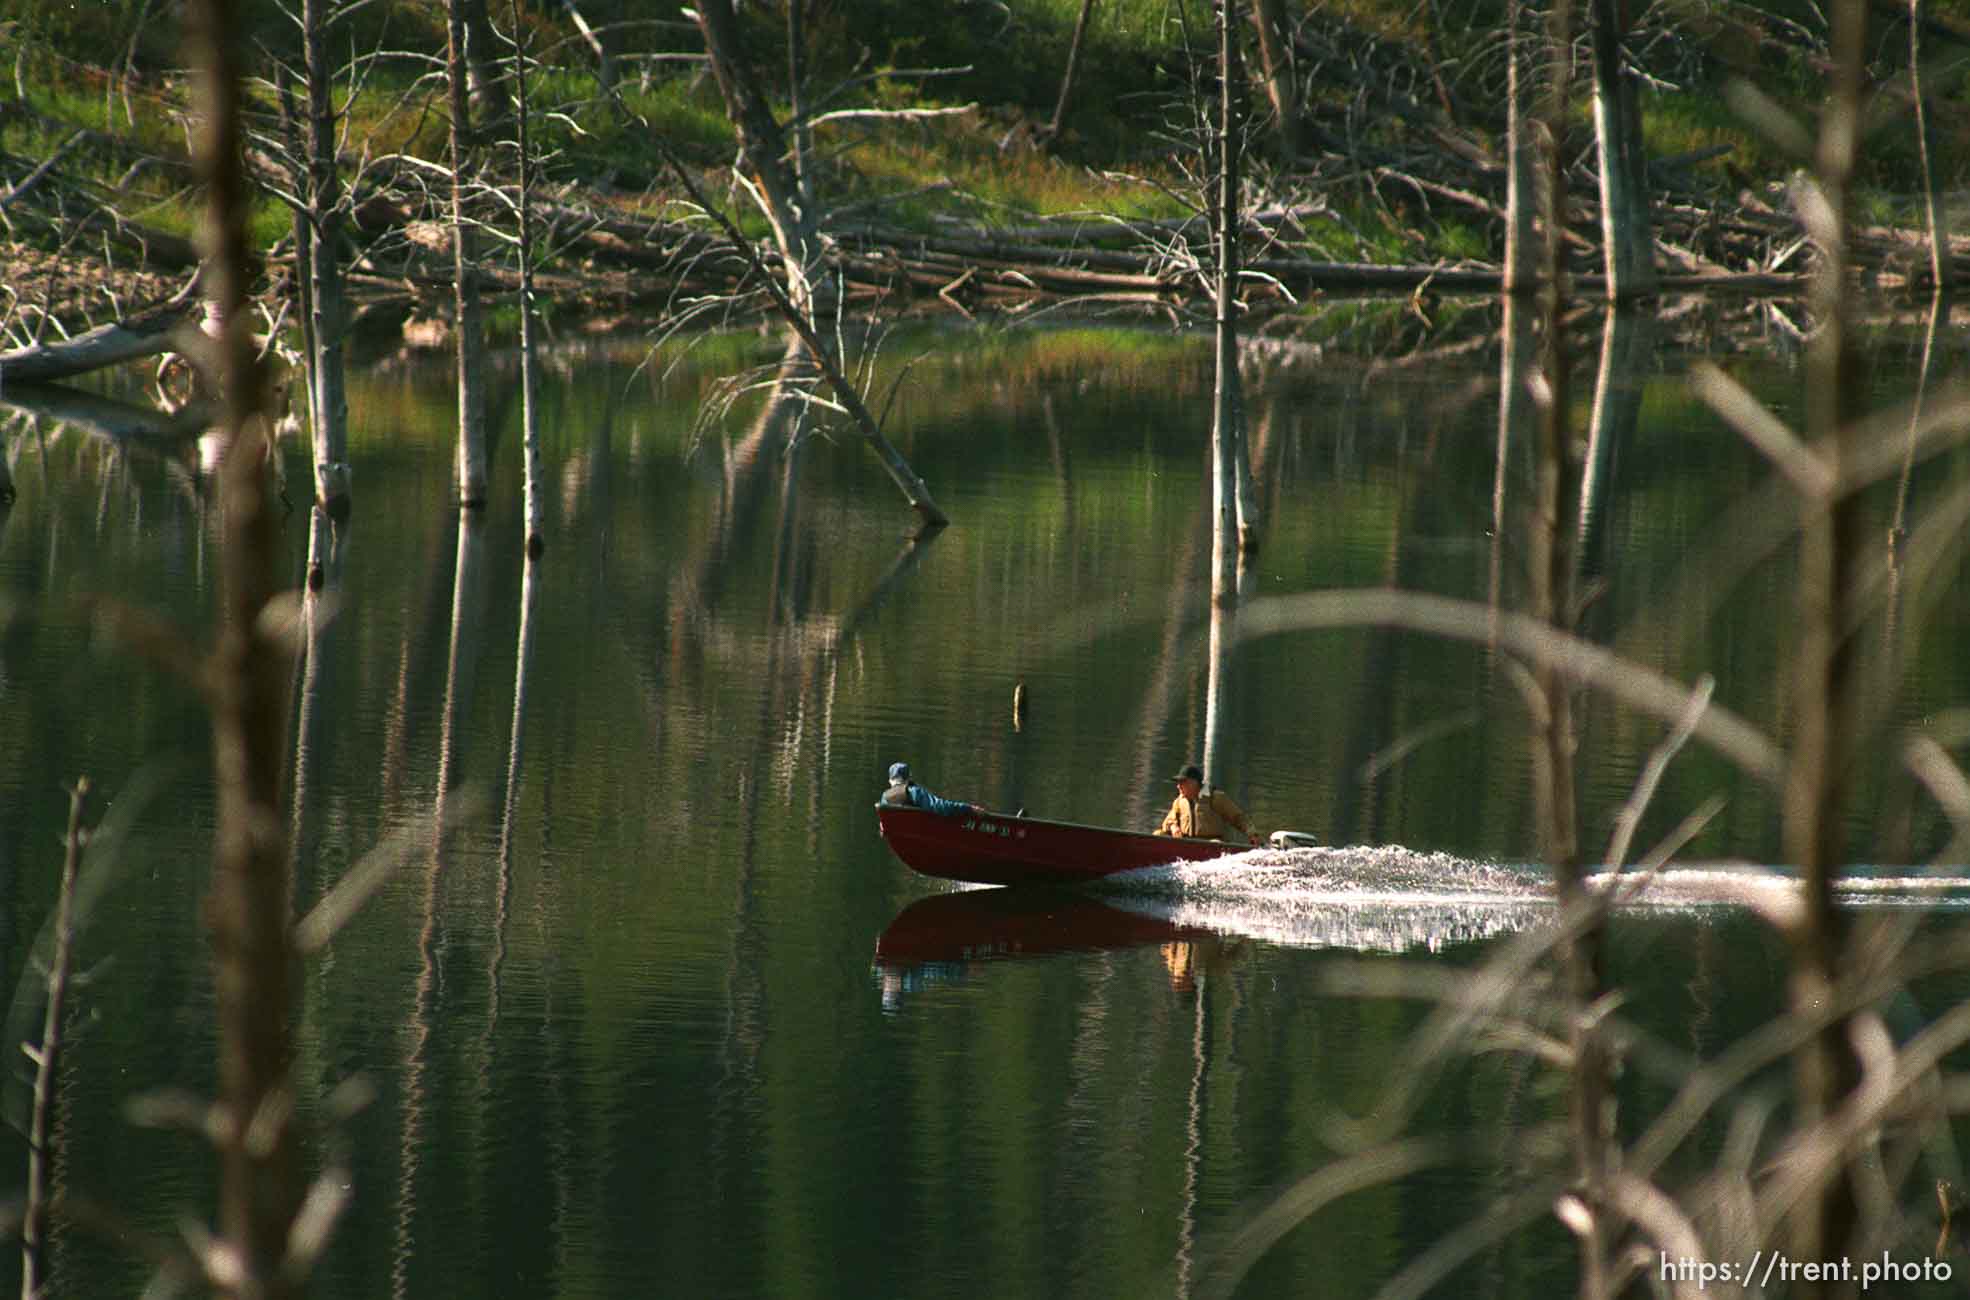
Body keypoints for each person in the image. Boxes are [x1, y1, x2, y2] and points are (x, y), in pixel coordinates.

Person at [1153, 763, 1260, 845]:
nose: (1178, 786)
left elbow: (1238, 817)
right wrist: (1174, 827)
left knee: (1216, 844)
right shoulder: (1179, 801)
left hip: (1210, 844)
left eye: (1182, 782)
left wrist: (1252, 834)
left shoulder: (1216, 798)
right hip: (1184, 844)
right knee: (1158, 834)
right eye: (1178, 783)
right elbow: (1169, 821)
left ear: (1194, 783)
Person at [882, 762, 979, 817]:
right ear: (908, 778)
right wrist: (968, 808)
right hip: (919, 830)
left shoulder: (885, 797)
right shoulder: (914, 791)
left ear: (890, 780)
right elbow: (939, 806)